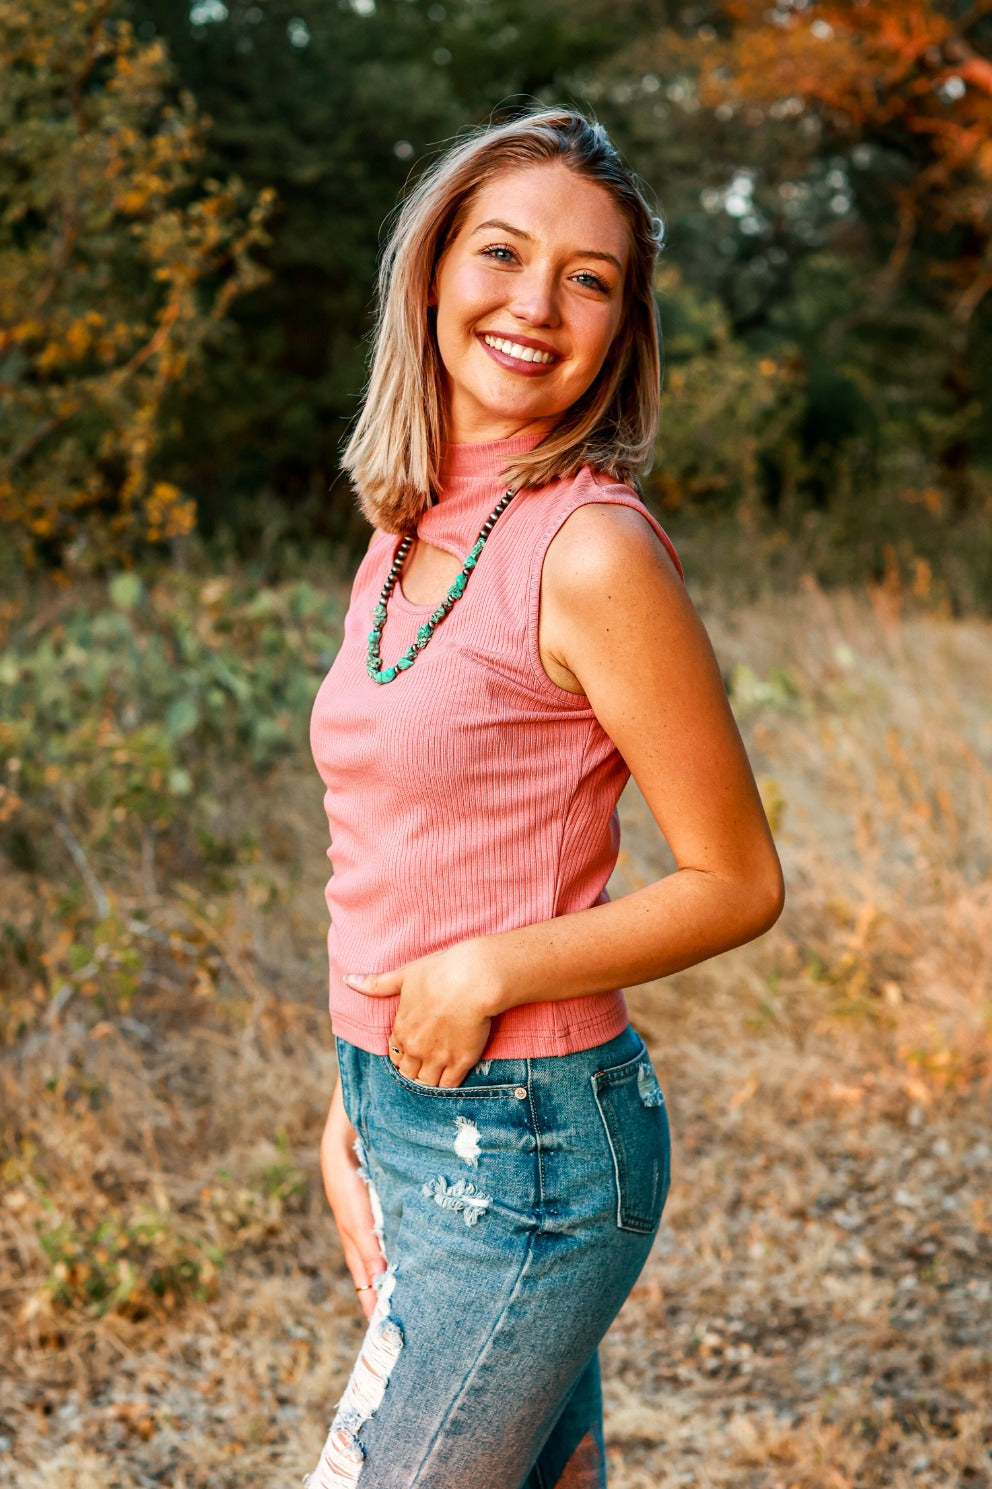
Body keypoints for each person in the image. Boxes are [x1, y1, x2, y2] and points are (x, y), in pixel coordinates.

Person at [305, 108, 784, 1489]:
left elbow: (738, 879)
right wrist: (344, 1088)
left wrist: (488, 970)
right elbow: (392, 850)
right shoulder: (404, 530)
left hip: (525, 1144)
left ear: (622, 327)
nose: (536, 302)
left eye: (589, 278)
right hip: (407, 1105)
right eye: (503, 251)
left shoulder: (589, 552)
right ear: (432, 269)